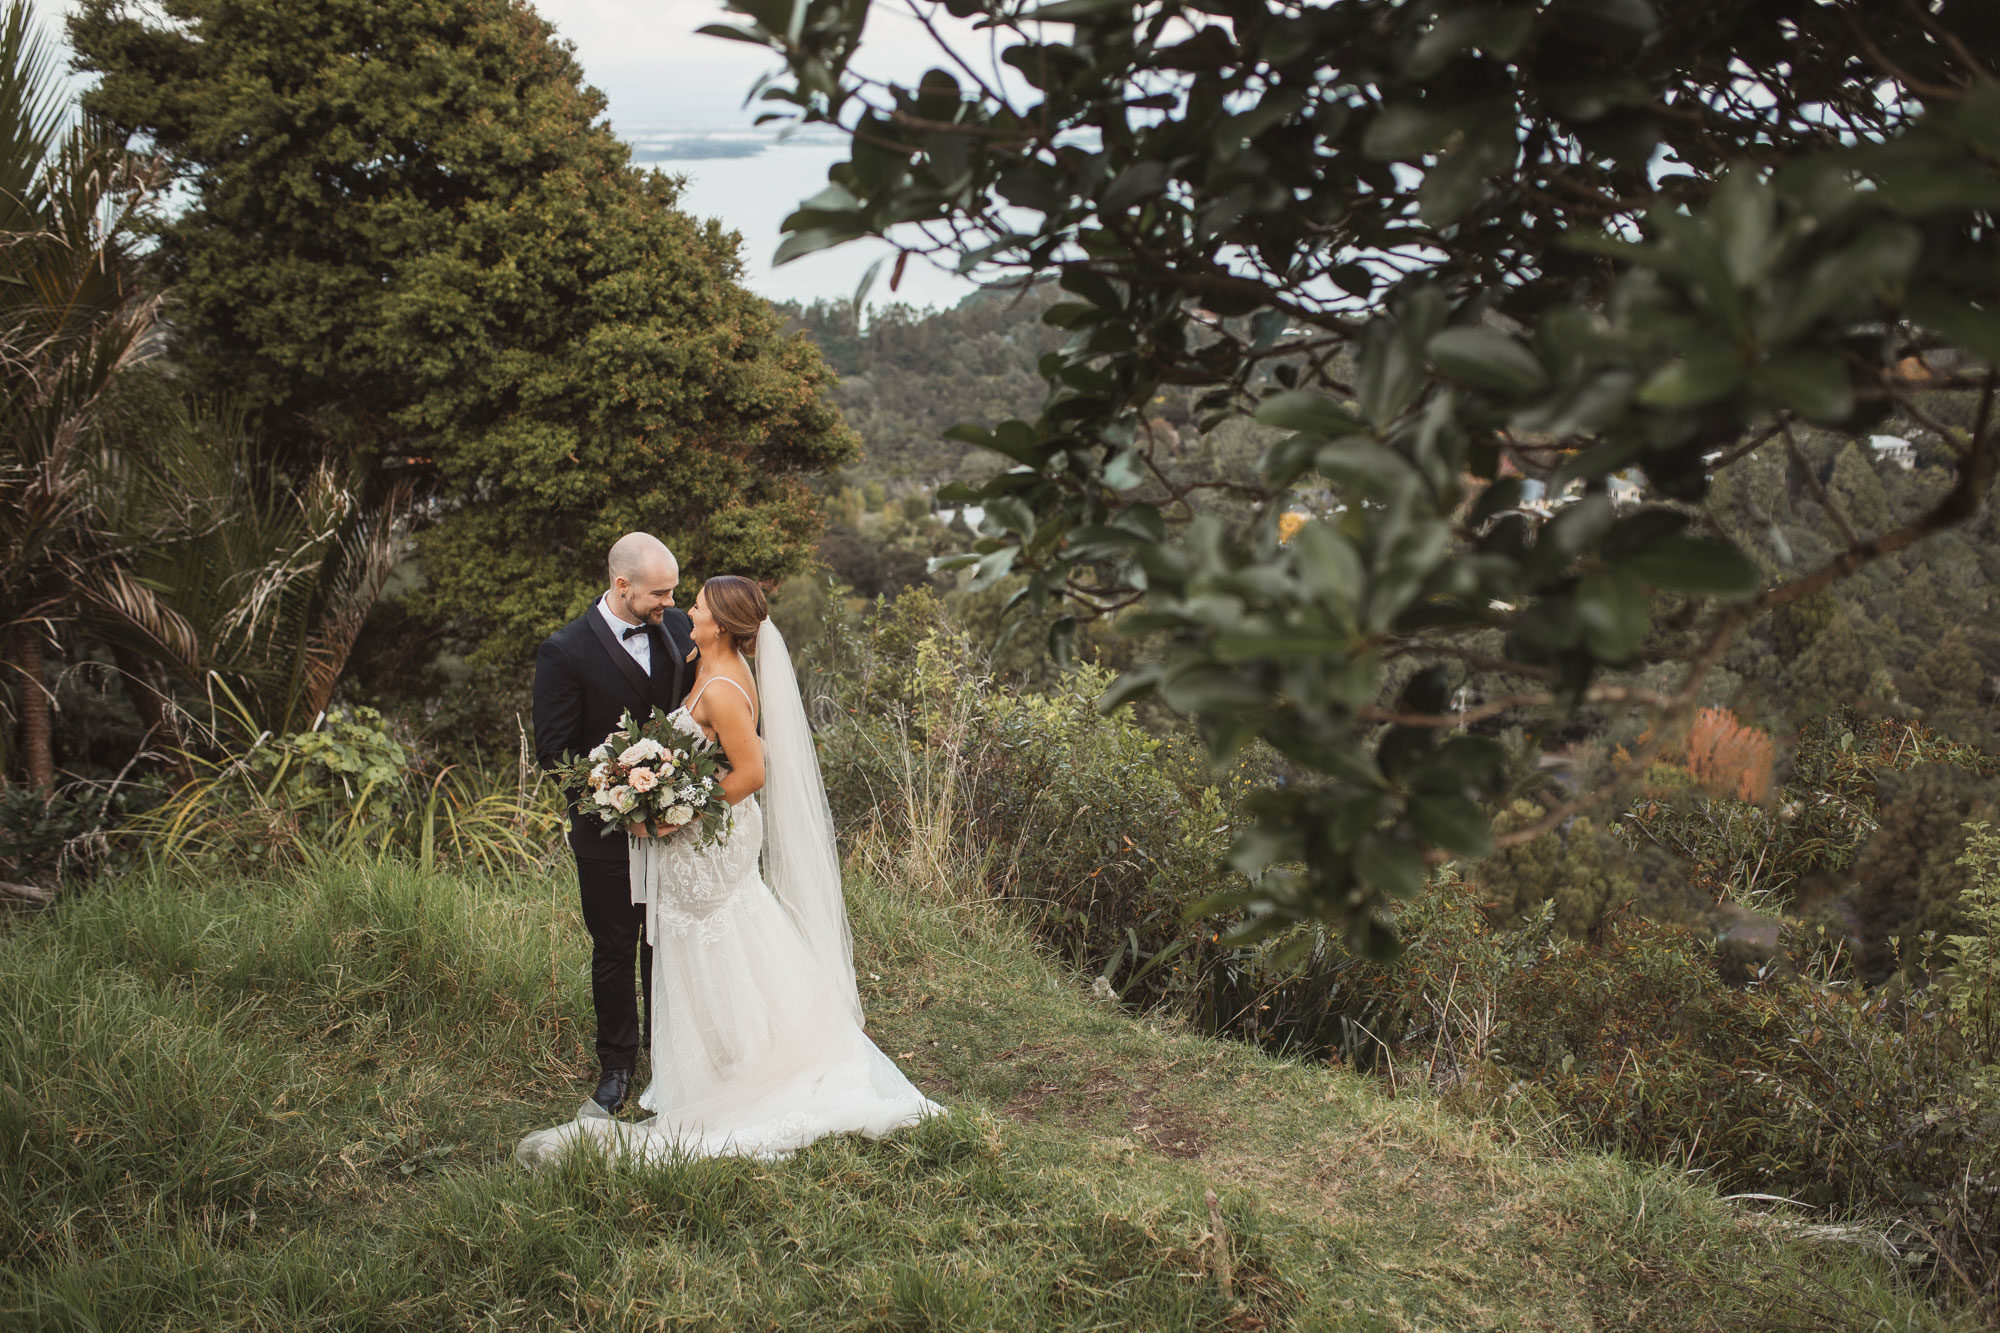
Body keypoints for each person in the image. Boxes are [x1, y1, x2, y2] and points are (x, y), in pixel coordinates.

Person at [516, 576, 939, 1164]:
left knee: (711, 937)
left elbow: (753, 771)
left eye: (697, 606)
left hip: (706, 838)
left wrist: (673, 815)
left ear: (719, 623)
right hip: (698, 835)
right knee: (719, 937)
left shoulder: (721, 686)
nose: (686, 611)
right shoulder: (704, 667)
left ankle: (744, 1068)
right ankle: (723, 1061)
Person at [531, 533, 698, 1118]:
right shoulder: (565, 651)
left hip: (676, 826)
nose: (670, 603)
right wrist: (619, 797)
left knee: (668, 940)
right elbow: (553, 752)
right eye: (659, 593)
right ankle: (617, 1066)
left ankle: (669, 1055)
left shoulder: (679, 630)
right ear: (621, 585)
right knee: (614, 946)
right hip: (605, 834)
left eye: (673, 592)